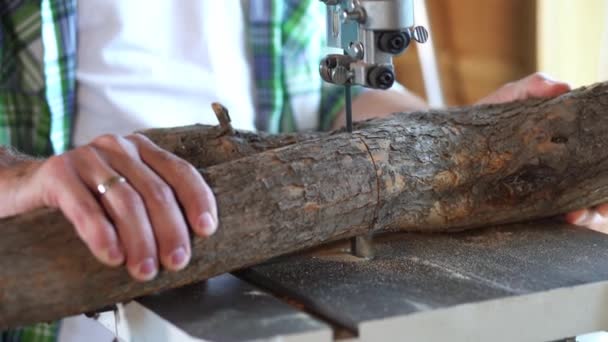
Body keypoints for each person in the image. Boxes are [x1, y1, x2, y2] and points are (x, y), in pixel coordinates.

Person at [0, 0, 602, 340]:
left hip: (264, 278)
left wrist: (463, 138)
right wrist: (20, 179)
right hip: (63, 300)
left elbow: (337, 94)